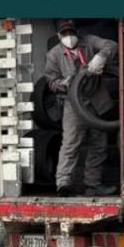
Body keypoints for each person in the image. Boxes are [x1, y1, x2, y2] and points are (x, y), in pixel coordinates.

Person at [44, 19, 118, 196]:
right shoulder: (54, 55)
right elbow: (51, 82)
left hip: (97, 101)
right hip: (74, 105)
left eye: (71, 33)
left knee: (99, 145)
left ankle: (93, 185)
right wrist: (64, 83)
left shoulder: (89, 41)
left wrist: (101, 57)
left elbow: (111, 44)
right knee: (70, 144)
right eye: (64, 34)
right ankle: (63, 184)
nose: (69, 37)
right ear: (59, 36)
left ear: (77, 32)